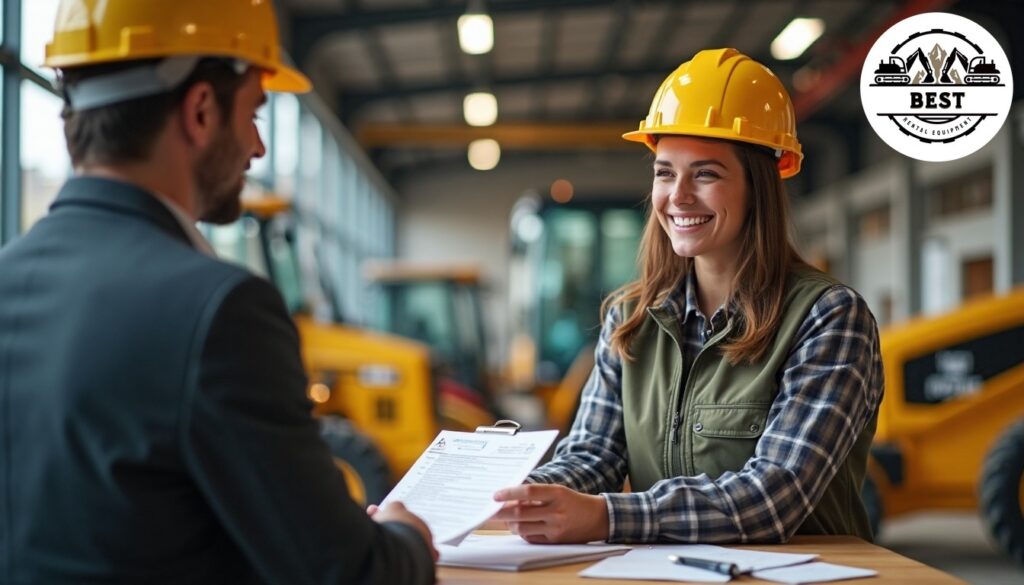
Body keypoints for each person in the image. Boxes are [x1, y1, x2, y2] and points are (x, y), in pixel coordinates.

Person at [0, 1, 435, 583]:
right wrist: (407, 534)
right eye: (255, 111)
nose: (257, 146)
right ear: (201, 110)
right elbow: (350, 573)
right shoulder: (221, 310)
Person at [493, 48, 884, 545]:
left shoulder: (828, 319)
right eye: (663, 172)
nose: (677, 196)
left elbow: (772, 496)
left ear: (757, 187)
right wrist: (517, 496)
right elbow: (592, 455)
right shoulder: (628, 319)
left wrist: (608, 517)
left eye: (706, 173)